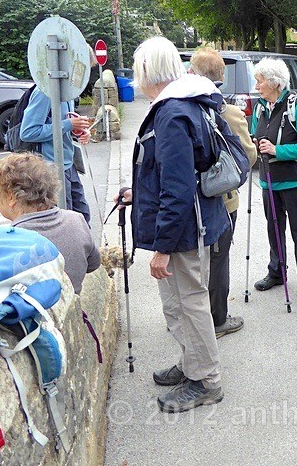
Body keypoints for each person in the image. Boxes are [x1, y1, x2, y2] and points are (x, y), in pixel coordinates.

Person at [119, 36, 230, 413]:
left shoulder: (172, 113)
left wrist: (162, 249)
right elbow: (172, 173)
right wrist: (140, 192)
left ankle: (206, 381)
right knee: (179, 305)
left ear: (146, 71)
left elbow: (179, 187)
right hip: (194, 221)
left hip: (185, 230)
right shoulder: (187, 103)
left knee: (190, 304)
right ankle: (192, 365)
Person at [190, 48, 258, 337]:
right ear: (221, 77)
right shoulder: (228, 112)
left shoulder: (178, 107)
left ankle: (191, 316)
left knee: (191, 261)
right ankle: (217, 320)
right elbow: (248, 156)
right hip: (222, 199)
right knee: (218, 259)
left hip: (187, 201)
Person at [251, 58, 297, 304]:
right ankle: (277, 272)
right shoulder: (260, 108)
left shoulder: (296, 107)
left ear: (274, 82)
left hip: (296, 182)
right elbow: (255, 136)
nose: (257, 86)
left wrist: (277, 150)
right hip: (269, 181)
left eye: (260, 81)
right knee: (274, 229)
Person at [0, 152, 99, 294]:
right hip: (72, 309)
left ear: (11, 196)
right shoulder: (76, 219)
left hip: (35, 314)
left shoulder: (7, 242)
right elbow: (93, 264)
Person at [19, 81, 92, 224]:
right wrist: (68, 124)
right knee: (64, 221)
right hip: (50, 167)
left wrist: (79, 131)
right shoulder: (45, 92)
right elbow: (28, 132)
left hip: (68, 163)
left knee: (82, 216)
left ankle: (81, 246)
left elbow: (62, 126)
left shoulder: (68, 91)